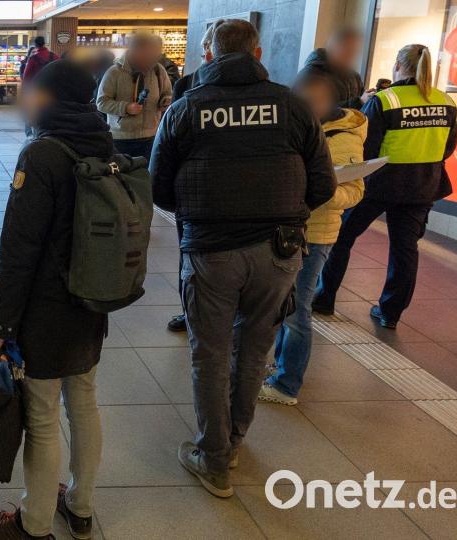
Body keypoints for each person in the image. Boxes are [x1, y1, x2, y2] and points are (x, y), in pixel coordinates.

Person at [149, 19, 336, 498]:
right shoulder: (292, 106)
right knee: (255, 350)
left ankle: (213, 459)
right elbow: (323, 185)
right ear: (257, 53)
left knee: (209, 354)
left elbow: (160, 189)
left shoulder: (186, 108)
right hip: (279, 252)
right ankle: (232, 441)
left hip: (211, 251)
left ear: (208, 56)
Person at [0, 60, 110, 540]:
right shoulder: (102, 142)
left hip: (46, 310)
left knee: (41, 415)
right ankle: (80, 505)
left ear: (51, 99)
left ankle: (33, 524)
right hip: (93, 300)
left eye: (35, 93)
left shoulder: (41, 155)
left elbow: (18, 252)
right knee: (85, 402)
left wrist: (3, 323)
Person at [314, 44, 457, 329]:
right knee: (405, 250)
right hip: (423, 186)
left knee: (342, 237)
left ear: (397, 65)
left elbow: (366, 145)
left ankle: (324, 298)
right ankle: (390, 312)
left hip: (380, 184)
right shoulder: (446, 102)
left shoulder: (386, 100)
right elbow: (449, 146)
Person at [258, 73, 367, 406]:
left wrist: (314, 188)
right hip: (284, 229)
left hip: (315, 234)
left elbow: (354, 190)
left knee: (296, 310)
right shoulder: (296, 124)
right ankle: (279, 368)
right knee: (282, 305)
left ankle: (287, 385)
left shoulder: (344, 137)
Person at [167, 22, 220, 334]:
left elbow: (169, 148)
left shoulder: (188, 87)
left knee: (192, 258)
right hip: (249, 202)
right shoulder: (274, 96)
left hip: (196, 193)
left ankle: (192, 313)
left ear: (207, 52)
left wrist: (170, 195)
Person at [97, 33, 173, 158]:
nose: (148, 59)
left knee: (147, 174)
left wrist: (165, 101)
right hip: (121, 139)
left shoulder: (158, 71)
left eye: (151, 54)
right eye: (144, 54)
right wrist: (125, 108)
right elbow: (101, 103)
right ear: (133, 51)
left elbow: (168, 94)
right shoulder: (114, 72)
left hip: (152, 136)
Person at [299, 26, 370, 109]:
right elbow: (310, 112)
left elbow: (361, 101)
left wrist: (368, 98)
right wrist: (359, 102)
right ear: (334, 46)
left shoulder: (354, 76)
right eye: (348, 49)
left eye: (355, 51)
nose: (352, 55)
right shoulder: (310, 75)